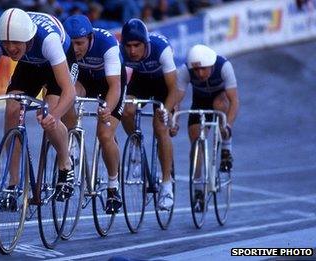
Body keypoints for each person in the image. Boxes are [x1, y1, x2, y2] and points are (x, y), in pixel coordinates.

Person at [0, 8, 77, 205]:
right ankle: (13, 183)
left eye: (16, 43)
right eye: (6, 44)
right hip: (30, 63)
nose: (10, 49)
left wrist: (55, 116)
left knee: (50, 114)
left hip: (58, 61)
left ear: (28, 38)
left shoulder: (49, 40)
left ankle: (65, 162)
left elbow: (69, 91)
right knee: (12, 109)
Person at [63, 14, 125, 214]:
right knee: (67, 98)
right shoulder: (64, 46)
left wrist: (107, 109)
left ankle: (113, 186)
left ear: (90, 38)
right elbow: (64, 86)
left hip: (109, 82)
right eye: (71, 43)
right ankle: (72, 147)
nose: (75, 48)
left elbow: (115, 85)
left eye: (80, 43)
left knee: (105, 134)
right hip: (84, 79)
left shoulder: (108, 44)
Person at [120, 18, 178, 210]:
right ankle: (136, 145)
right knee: (126, 110)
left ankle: (167, 185)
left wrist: (166, 111)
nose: (132, 51)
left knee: (160, 127)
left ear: (146, 44)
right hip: (141, 81)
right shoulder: (121, 52)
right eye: (128, 46)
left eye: (137, 46)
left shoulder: (162, 50)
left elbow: (174, 89)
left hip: (164, 86)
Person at [176, 44, 239, 174]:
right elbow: (177, 98)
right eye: (196, 70)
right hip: (200, 101)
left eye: (203, 69)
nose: (199, 73)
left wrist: (228, 126)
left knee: (220, 103)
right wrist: (174, 121)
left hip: (220, 98)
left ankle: (226, 147)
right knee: (195, 142)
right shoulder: (185, 70)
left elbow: (234, 101)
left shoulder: (224, 66)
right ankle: (198, 186)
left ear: (211, 64)